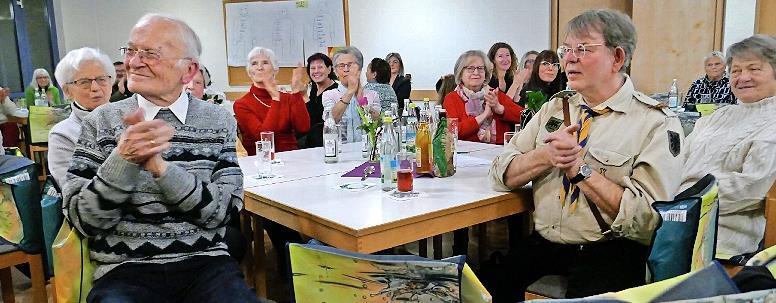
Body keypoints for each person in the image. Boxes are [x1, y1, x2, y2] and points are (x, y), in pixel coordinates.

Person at [488, 9, 684, 301]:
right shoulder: (556, 108)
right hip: (546, 241)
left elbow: (646, 221)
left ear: (617, 58)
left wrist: (581, 170)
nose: (569, 58)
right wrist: (547, 155)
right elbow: (500, 173)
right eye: (566, 49)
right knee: (485, 287)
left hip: (611, 248)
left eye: (583, 49)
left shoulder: (654, 122)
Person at [62, 14, 258, 302]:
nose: (135, 62)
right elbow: (84, 220)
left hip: (206, 265)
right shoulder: (100, 122)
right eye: (131, 51)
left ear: (189, 71)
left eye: (150, 53)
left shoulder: (217, 120)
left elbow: (224, 212)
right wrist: (123, 160)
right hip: (125, 270)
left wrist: (162, 170)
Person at [678, 35, 776, 263]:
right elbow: (679, 161)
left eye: (754, 69)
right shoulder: (717, 116)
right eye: (736, 70)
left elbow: (751, 187)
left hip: (723, 244)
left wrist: (686, 199)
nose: (743, 77)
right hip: (674, 225)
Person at [48, 47, 114, 187]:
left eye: (101, 79)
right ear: (67, 91)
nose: (95, 87)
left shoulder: (132, 119)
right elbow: (74, 189)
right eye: (84, 82)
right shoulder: (62, 135)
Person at [234, 47, 310, 155]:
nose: (259, 67)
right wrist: (275, 99)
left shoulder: (288, 98)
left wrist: (296, 92)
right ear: (249, 72)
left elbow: (303, 128)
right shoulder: (241, 104)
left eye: (265, 62)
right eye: (254, 63)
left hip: (291, 157)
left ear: (275, 69)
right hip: (260, 160)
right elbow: (264, 137)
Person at [442, 50, 523, 145]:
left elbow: (526, 117)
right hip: (465, 154)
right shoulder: (451, 98)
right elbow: (454, 132)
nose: (476, 72)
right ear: (460, 74)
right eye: (470, 68)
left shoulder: (494, 94)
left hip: (499, 152)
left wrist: (500, 109)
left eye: (480, 68)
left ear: (485, 74)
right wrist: (484, 115)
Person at [185, 66, 248, 157]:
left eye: (198, 82)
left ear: (204, 90)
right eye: (186, 81)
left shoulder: (219, 118)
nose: (191, 86)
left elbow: (240, 154)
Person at [323, 47, 380, 143]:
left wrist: (362, 101)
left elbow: (378, 122)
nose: (346, 69)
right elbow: (332, 120)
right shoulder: (329, 95)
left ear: (360, 68)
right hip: (341, 151)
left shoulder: (373, 94)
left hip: (368, 150)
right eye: (341, 66)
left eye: (350, 65)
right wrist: (350, 92)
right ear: (335, 71)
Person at [300, 52, 338, 149]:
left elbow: (317, 119)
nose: (316, 71)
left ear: (329, 69)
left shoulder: (335, 90)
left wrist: (304, 96)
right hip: (310, 137)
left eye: (320, 67)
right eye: (312, 68)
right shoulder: (313, 88)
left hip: (326, 140)